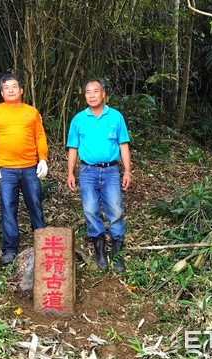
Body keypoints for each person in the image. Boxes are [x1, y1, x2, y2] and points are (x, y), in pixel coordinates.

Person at [66, 78, 132, 273]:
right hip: (87, 171)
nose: (92, 95)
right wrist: (70, 173)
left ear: (103, 94)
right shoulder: (78, 119)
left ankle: (117, 253)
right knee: (90, 210)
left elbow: (123, 145)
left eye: (96, 91)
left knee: (116, 210)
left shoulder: (115, 117)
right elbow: (73, 148)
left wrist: (127, 170)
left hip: (111, 170)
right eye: (88, 92)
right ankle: (100, 251)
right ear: (84, 95)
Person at [0, 74, 49, 265]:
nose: (11, 90)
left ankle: (42, 244)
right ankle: (10, 249)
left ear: (21, 90)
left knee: (35, 205)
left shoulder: (31, 111)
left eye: (15, 86)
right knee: (8, 207)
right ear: (2, 92)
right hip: (6, 169)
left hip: (30, 167)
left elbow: (39, 136)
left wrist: (43, 159)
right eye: (7, 87)